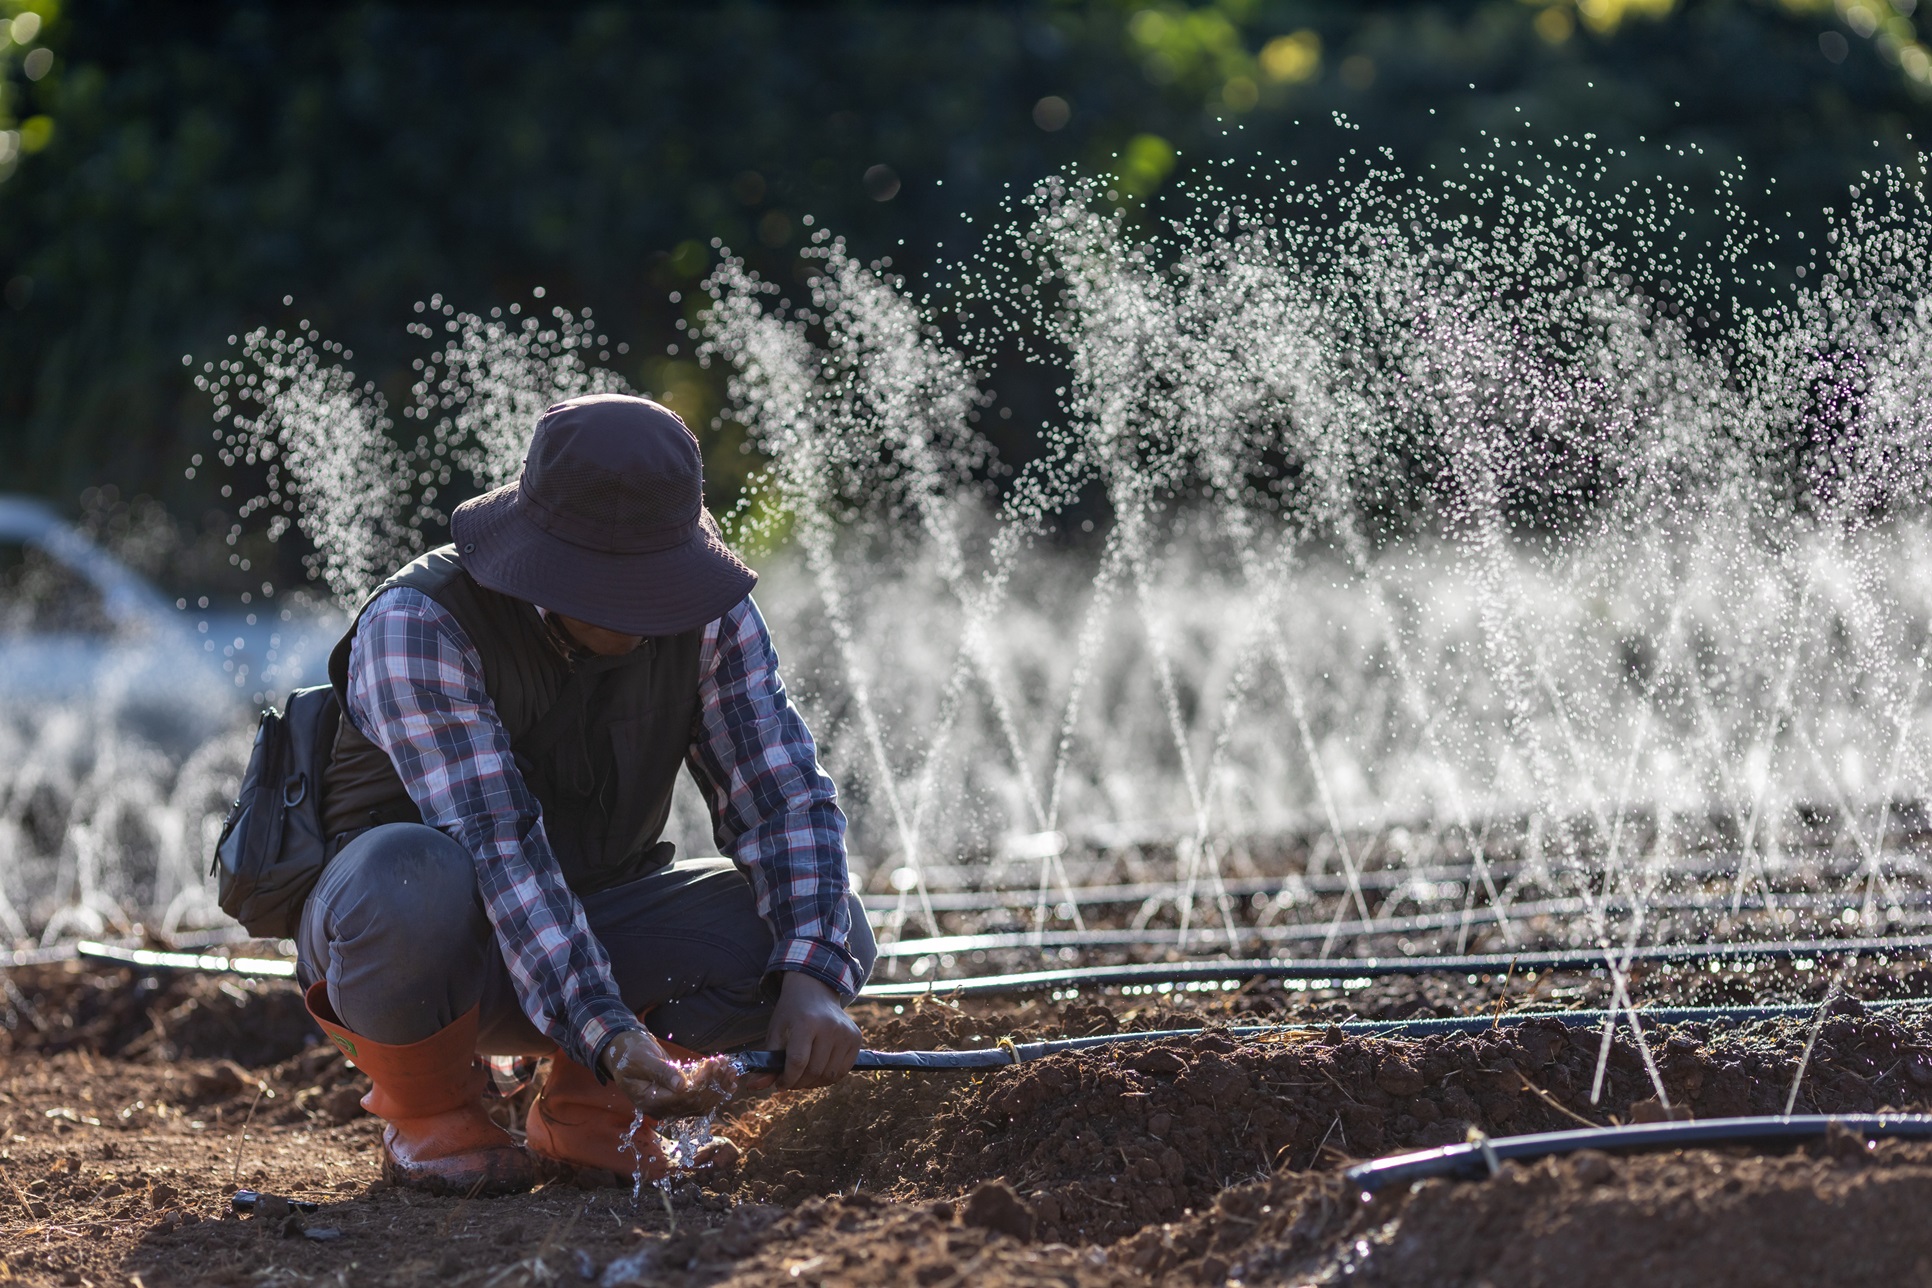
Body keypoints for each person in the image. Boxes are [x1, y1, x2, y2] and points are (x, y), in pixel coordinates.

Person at [296, 393, 875, 1195]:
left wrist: (814, 979)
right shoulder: (419, 625)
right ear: (545, 563)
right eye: (620, 585)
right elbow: (498, 848)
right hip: (423, 948)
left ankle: (591, 1109)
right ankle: (431, 1113)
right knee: (409, 872)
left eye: (658, 578)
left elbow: (782, 798)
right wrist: (605, 1025)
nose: (649, 609)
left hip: (594, 928)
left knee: (826, 924)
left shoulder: (710, 616)